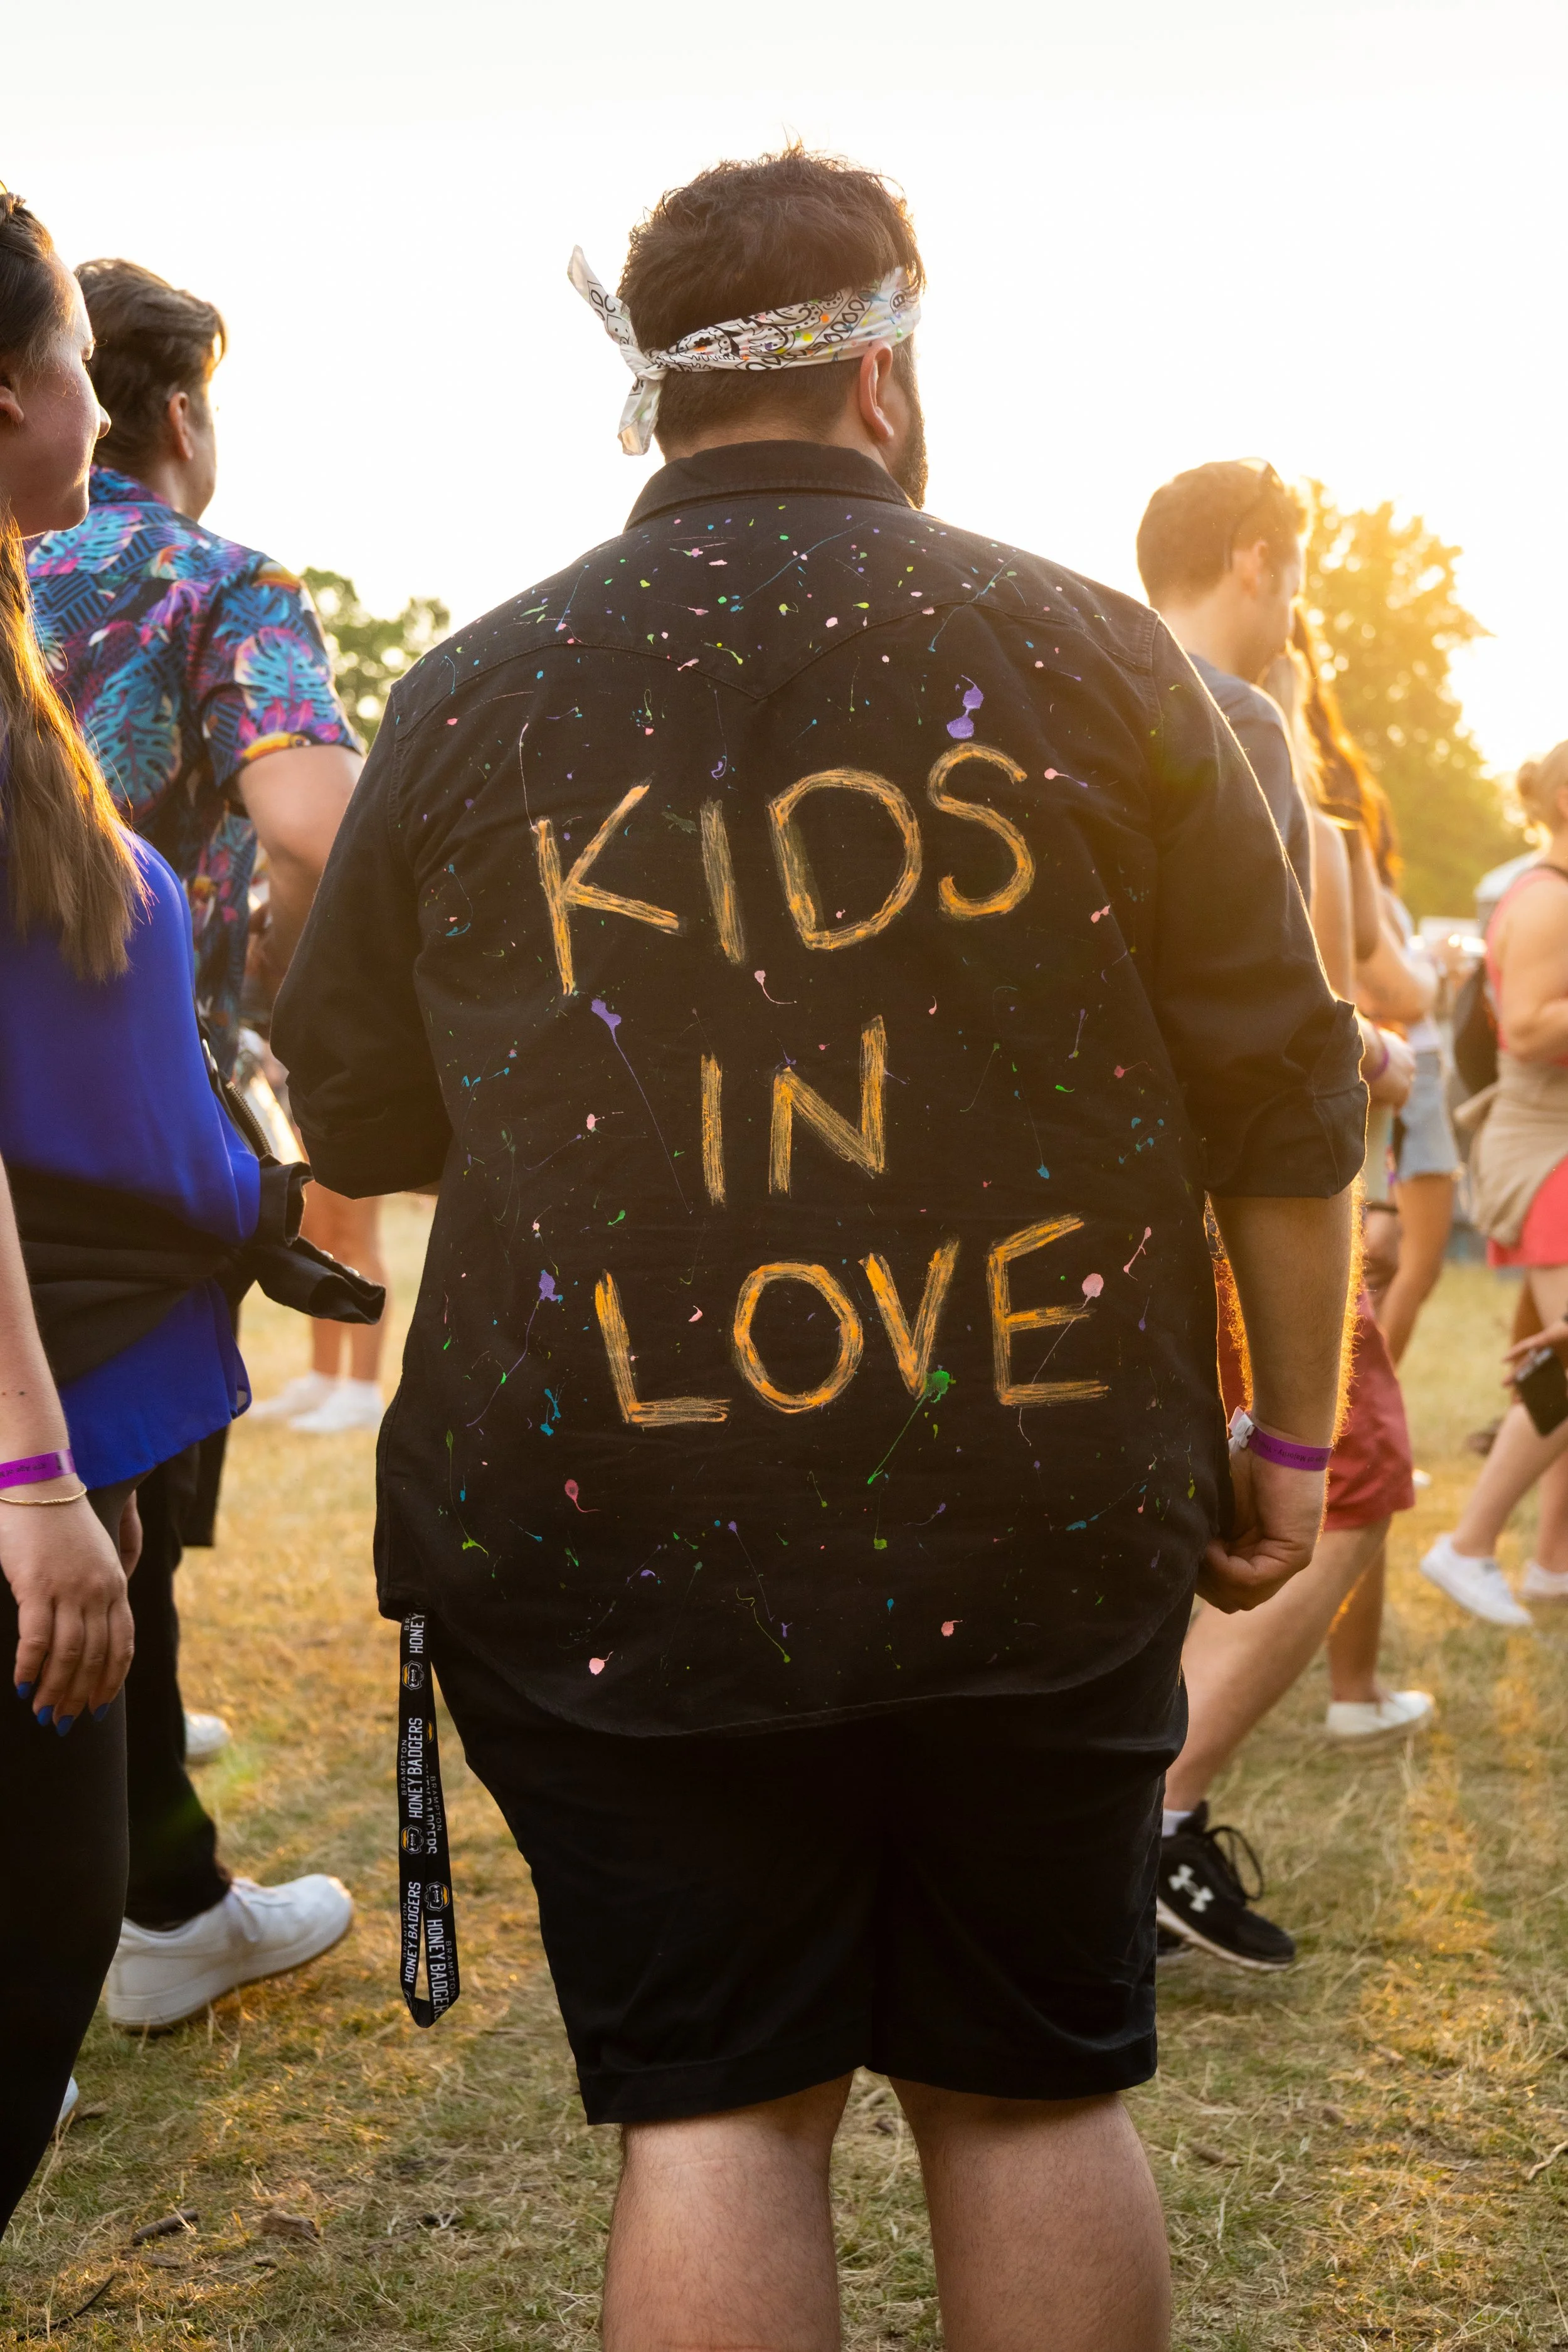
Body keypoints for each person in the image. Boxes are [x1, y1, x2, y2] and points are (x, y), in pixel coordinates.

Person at [277, 148, 1364, 2349]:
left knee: (719, 2114)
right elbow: (1286, 1094)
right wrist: (1286, 1438)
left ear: (661, 404)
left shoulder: (478, 693)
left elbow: (364, 1116)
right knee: (1033, 2093)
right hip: (1045, 1486)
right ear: (883, 369)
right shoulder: (1099, 660)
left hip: (617, 1526)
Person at [0, 193, 359, 2213]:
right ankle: (148, 1900)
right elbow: (315, 819)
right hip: (77, 1256)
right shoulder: (214, 581)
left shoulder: (20, 595)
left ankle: (132, 1876)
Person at [1136, 531, 1418, 1970]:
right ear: (1256, 557)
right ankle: (1156, 1821)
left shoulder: (1093, 698)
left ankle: (1132, 1816)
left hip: (1117, 1215)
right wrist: (1369, 1047)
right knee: (1346, 1470)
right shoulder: (1210, 722)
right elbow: (1268, 1024)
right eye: (1297, 572)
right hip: (1231, 1198)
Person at [1423, 742, 1568, 1623]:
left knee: (1564, 1351)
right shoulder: (1549, 899)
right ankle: (1469, 1543)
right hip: (1542, 1146)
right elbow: (1529, 1025)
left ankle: (1552, 1561)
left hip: (1552, 1140)